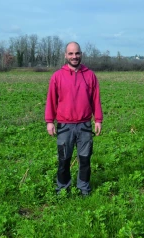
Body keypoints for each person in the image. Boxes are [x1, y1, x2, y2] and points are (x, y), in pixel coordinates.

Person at [45, 41, 103, 197]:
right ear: (65, 55)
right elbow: (51, 100)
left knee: (85, 160)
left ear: (81, 54)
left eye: (77, 53)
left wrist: (98, 120)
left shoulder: (90, 75)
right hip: (65, 126)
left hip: (84, 125)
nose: (74, 56)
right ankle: (62, 189)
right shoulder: (57, 76)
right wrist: (50, 121)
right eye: (70, 53)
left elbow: (95, 99)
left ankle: (83, 188)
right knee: (63, 161)